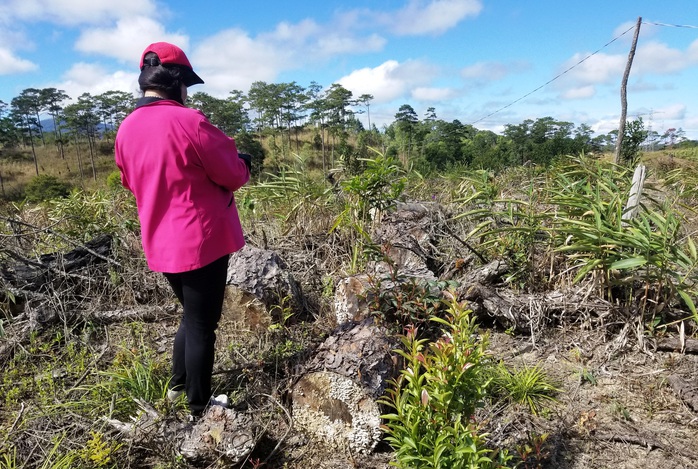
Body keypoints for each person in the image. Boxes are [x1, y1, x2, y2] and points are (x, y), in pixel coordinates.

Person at [114, 42, 251, 417]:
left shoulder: (125, 129)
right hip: (202, 241)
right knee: (204, 325)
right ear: (176, 81)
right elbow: (232, 174)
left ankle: (177, 387)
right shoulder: (190, 122)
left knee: (191, 316)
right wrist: (245, 163)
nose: (188, 92)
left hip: (161, 242)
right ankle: (199, 405)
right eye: (187, 83)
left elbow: (131, 181)